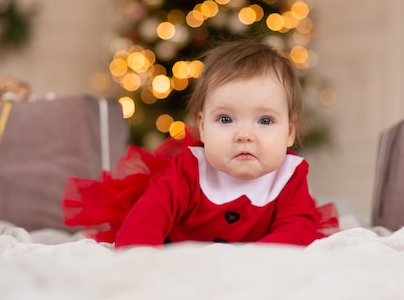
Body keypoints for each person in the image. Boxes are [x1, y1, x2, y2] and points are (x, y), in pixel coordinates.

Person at [62, 39, 338, 247]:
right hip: (181, 251)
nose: (244, 135)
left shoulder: (289, 176)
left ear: (289, 133)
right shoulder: (191, 169)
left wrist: (257, 261)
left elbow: (296, 229)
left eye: (265, 121)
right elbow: (150, 213)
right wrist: (140, 255)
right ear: (203, 127)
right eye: (226, 119)